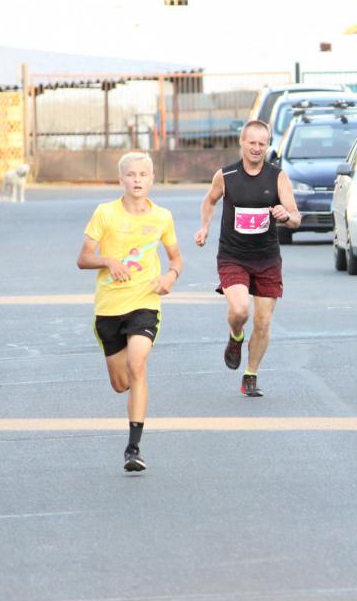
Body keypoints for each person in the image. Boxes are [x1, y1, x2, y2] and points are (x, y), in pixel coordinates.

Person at [78, 152, 183, 472]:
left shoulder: (162, 217)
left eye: (143, 175)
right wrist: (107, 261)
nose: (137, 180)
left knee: (138, 364)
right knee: (120, 382)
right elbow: (83, 258)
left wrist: (170, 276)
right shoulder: (105, 213)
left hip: (145, 301)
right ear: (120, 179)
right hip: (109, 308)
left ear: (152, 179)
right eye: (131, 175)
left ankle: (133, 448)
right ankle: (132, 386)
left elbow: (176, 258)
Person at [194, 119, 301, 397]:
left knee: (263, 321)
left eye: (262, 144)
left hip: (267, 258)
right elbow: (209, 200)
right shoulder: (226, 175)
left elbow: (296, 217)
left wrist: (285, 216)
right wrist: (204, 227)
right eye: (251, 142)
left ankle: (250, 374)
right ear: (242, 142)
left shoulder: (278, 177)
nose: (256, 148)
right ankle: (236, 336)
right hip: (233, 256)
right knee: (240, 310)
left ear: (268, 146)